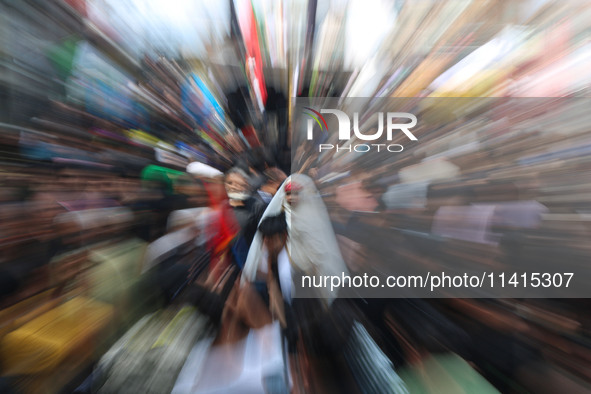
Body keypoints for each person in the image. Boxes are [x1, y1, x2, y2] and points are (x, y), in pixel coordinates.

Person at [243, 173, 348, 304]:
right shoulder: (277, 222)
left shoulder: (318, 221)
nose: (292, 197)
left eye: (296, 193)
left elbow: (323, 253)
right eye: (288, 193)